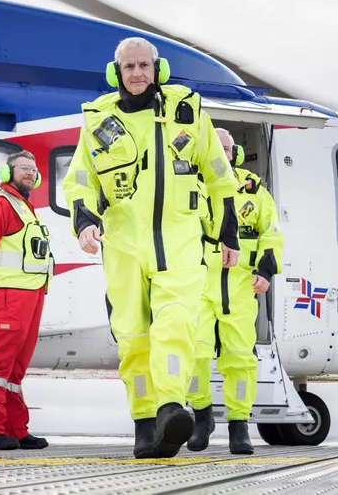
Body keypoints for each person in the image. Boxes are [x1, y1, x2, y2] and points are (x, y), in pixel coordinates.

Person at [63, 37, 241, 459]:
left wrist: (227, 233)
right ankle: (144, 425)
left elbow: (219, 175)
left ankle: (169, 408)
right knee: (132, 336)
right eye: (130, 67)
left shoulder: (187, 112)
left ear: (157, 70)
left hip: (179, 239)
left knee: (176, 322)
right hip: (123, 243)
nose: (138, 73)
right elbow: (80, 180)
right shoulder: (97, 121)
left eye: (145, 65)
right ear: (116, 72)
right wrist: (85, 221)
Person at [186, 128, 283, 455]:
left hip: (241, 284)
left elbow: (271, 232)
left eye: (226, 149)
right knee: (194, 353)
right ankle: (201, 416)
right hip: (197, 282)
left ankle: (239, 425)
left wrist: (266, 269)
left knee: (239, 358)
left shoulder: (253, 191)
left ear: (235, 154)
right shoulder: (189, 185)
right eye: (216, 148)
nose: (222, 154)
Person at [0, 151, 52, 451]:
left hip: (31, 295)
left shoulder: (26, 208)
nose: (29, 172)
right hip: (8, 295)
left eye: (33, 168)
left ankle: (16, 429)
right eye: (22, 168)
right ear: (7, 172)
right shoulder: (0, 205)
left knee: (15, 369)